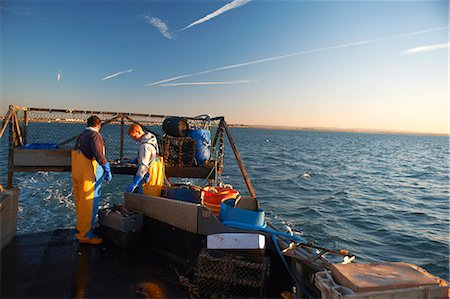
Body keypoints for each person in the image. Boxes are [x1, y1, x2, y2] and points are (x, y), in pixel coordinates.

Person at [71, 115, 112, 245]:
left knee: (80, 203)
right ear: (98, 125)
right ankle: (85, 236)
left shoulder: (81, 135)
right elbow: (99, 154)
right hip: (88, 175)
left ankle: (81, 229)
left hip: (77, 172)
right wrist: (107, 168)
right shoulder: (95, 135)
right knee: (89, 204)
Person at [126, 124, 164, 196]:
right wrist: (137, 159)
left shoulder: (145, 146)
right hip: (157, 174)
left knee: (146, 198)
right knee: (155, 196)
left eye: (134, 136)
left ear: (138, 132)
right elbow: (152, 155)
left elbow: (143, 167)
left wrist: (134, 183)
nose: (134, 139)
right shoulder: (152, 139)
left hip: (148, 178)